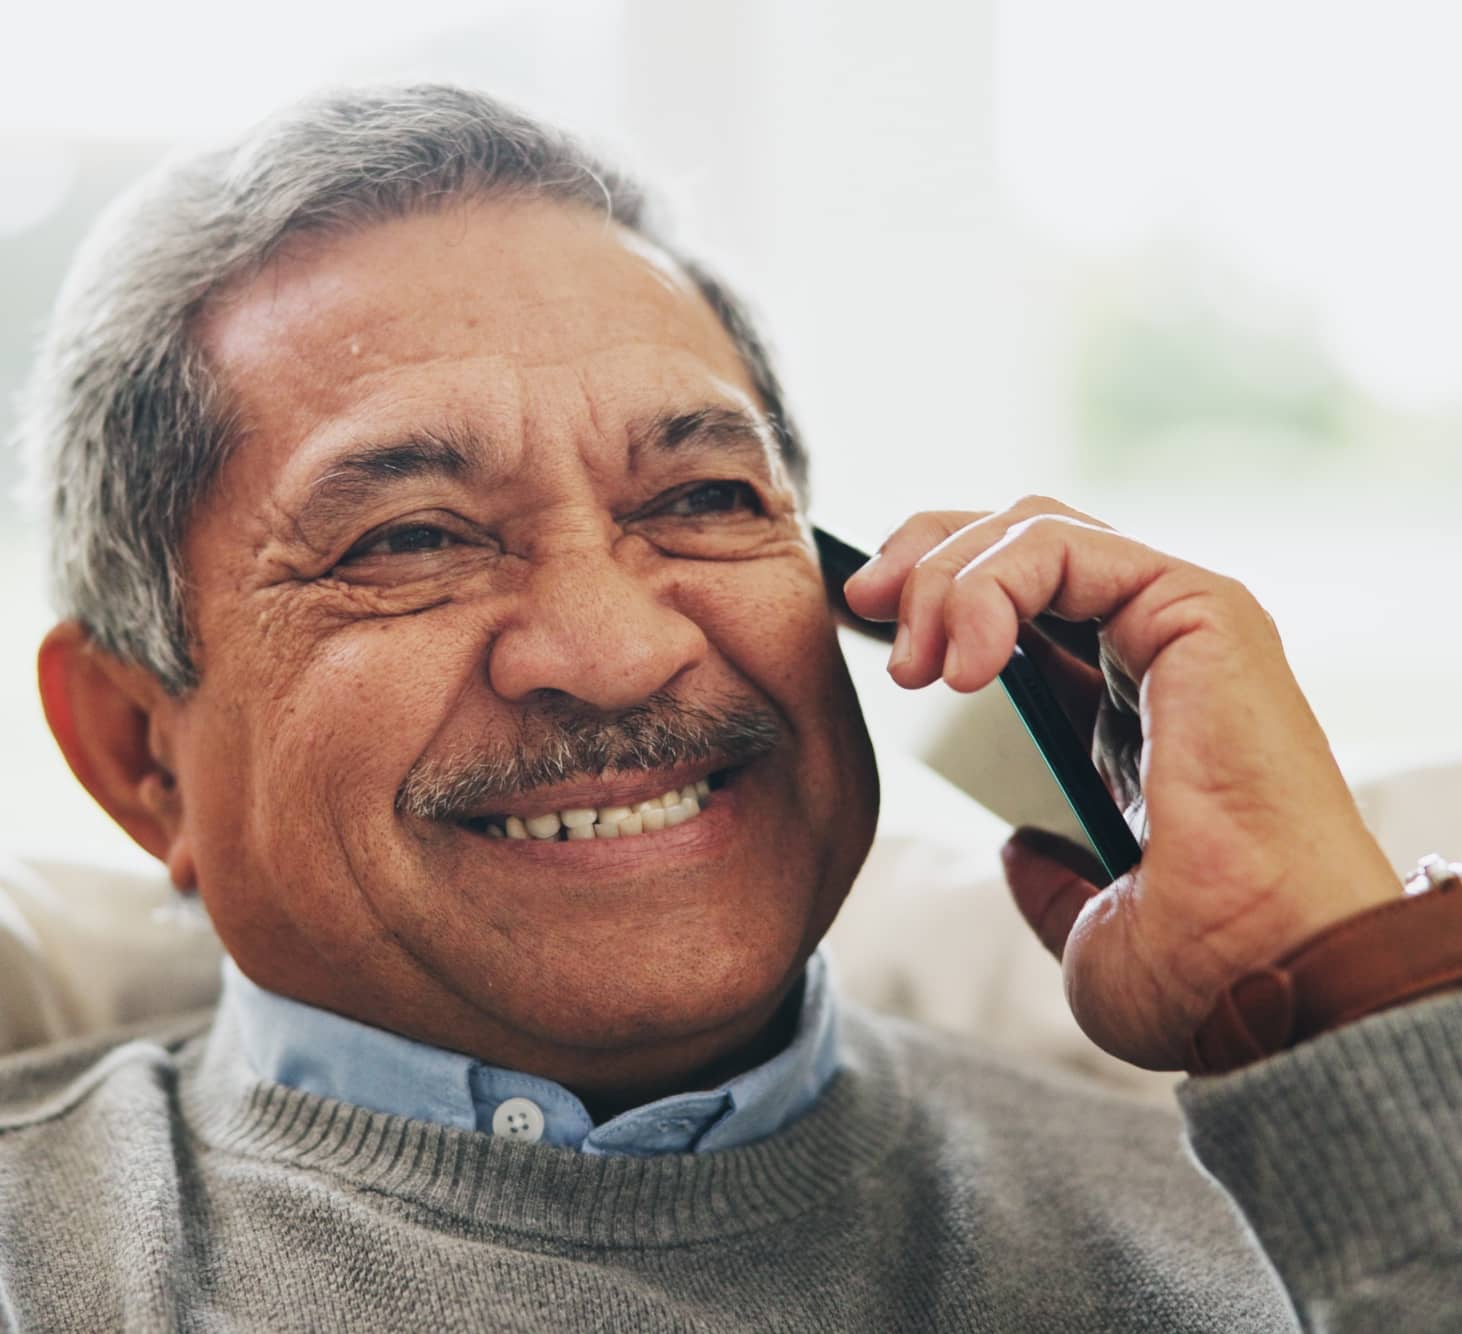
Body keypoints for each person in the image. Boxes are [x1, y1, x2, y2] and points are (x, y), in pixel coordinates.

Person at [3, 84, 1459, 1331]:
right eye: (411, 537)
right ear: (139, 752)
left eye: (702, 500)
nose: (615, 649)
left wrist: (1326, 996)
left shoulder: (1304, 1214)